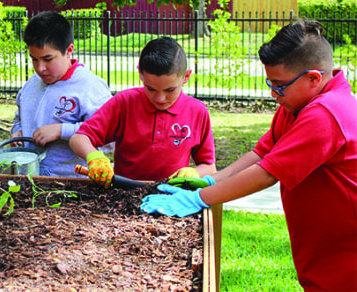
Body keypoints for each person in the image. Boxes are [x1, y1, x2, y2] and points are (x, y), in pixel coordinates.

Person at [141, 20, 357, 291]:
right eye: (269, 82)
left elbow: (268, 173)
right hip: (324, 249)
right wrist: (213, 181)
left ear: (313, 78)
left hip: (348, 255)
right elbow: (264, 151)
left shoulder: (326, 114)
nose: (272, 93)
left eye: (279, 85)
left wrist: (199, 198)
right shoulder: (296, 105)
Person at [70, 36, 216, 187]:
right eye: (151, 88)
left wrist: (195, 172)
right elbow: (79, 138)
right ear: (140, 73)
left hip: (171, 197)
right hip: (122, 194)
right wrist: (94, 156)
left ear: (186, 76)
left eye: (170, 90)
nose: (160, 98)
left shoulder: (197, 111)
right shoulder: (125, 102)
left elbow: (210, 167)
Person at [11, 11, 113, 177]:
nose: (40, 68)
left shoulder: (90, 86)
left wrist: (62, 130)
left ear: (69, 50)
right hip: (31, 180)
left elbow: (109, 136)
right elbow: (19, 118)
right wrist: (18, 131)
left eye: (48, 59)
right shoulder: (32, 83)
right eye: (34, 59)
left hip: (73, 185)